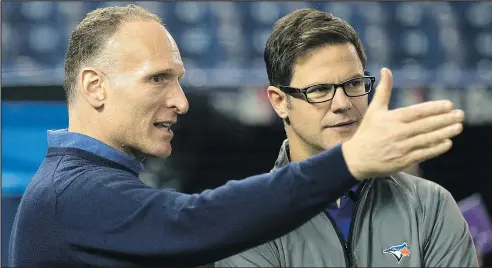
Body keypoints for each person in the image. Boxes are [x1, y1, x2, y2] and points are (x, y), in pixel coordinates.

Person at [9, 5, 465, 267]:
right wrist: (348, 162)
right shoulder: (72, 193)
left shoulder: (89, 187)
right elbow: (197, 221)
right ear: (94, 87)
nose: (181, 101)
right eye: (157, 79)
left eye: (179, 80)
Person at [217, 8, 478, 267]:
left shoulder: (430, 206)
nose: (342, 103)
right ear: (279, 101)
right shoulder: (248, 222)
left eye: (354, 84)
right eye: (319, 90)